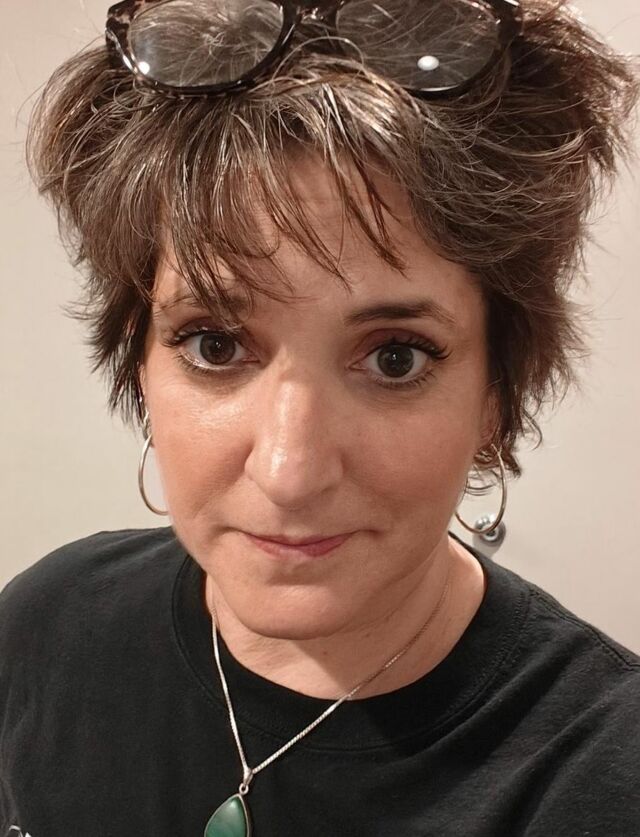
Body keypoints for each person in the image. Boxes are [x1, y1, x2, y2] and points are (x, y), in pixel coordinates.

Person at [1, 0, 639, 834]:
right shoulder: (46, 626)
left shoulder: (602, 778)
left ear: (496, 393)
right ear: (140, 361)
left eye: (396, 357)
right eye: (215, 344)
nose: (289, 471)